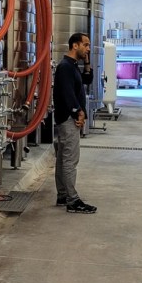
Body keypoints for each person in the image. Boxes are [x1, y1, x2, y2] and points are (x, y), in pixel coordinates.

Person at [53, 32, 96, 214]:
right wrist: (78, 111)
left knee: (63, 159)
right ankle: (73, 201)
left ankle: (63, 195)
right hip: (68, 119)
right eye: (85, 45)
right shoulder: (65, 67)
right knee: (70, 160)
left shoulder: (72, 66)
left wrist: (87, 62)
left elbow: (87, 80)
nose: (88, 49)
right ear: (75, 45)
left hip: (68, 118)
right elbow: (67, 94)